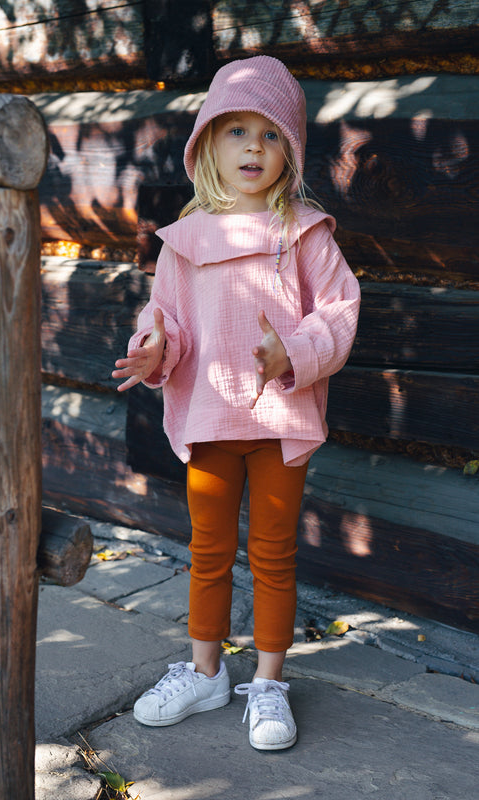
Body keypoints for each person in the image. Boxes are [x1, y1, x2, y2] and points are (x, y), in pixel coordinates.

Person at [112, 55, 360, 751]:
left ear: (292, 150)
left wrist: (294, 352)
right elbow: (170, 322)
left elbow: (339, 312)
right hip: (209, 419)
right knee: (208, 551)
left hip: (278, 421)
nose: (253, 146)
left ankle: (271, 681)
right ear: (206, 146)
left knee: (273, 553)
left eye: (271, 133)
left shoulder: (304, 233)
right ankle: (205, 672)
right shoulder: (183, 243)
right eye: (236, 131)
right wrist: (154, 350)